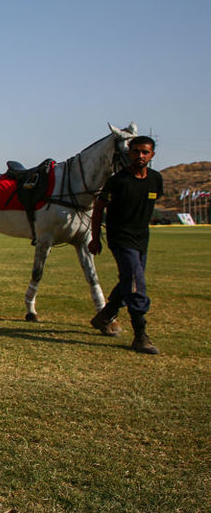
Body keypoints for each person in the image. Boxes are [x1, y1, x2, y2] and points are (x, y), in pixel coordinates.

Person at [88, 136, 162, 354]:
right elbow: (98, 208)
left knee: (128, 280)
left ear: (152, 155)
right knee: (136, 283)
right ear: (129, 153)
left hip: (142, 239)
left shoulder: (156, 179)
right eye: (136, 151)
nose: (140, 155)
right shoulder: (117, 181)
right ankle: (140, 336)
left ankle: (104, 316)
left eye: (145, 152)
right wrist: (95, 238)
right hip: (120, 238)